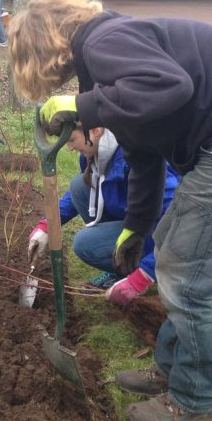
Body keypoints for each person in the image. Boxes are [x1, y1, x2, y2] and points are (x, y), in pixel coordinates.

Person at [9, 0, 212, 421]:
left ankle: (196, 399)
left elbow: (171, 86)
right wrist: (136, 226)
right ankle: (172, 369)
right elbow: (143, 151)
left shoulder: (103, 40)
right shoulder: (107, 56)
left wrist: (82, 106)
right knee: (170, 248)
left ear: (45, 43)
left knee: (189, 273)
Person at [27, 125, 178, 305]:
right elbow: (81, 193)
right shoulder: (98, 152)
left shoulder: (140, 158)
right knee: (79, 187)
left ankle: (138, 266)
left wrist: (143, 276)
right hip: (135, 217)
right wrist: (48, 225)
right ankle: (121, 266)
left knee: (85, 244)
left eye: (71, 140)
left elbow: (177, 226)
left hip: (165, 237)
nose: (69, 148)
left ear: (96, 131)